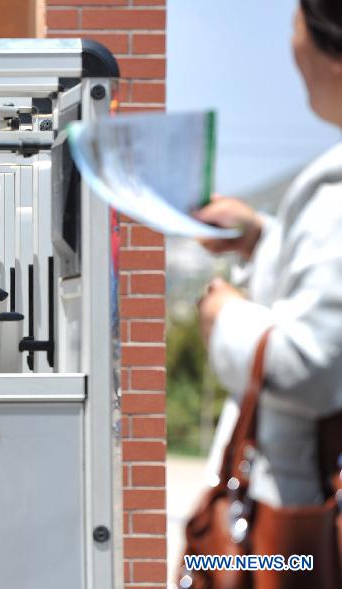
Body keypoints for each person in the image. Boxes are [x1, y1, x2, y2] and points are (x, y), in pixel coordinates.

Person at [196, 0, 342, 511]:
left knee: (239, 563)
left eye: (295, 22)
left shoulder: (334, 183)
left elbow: (308, 369)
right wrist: (259, 237)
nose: (291, 43)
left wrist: (224, 316)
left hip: (305, 524)